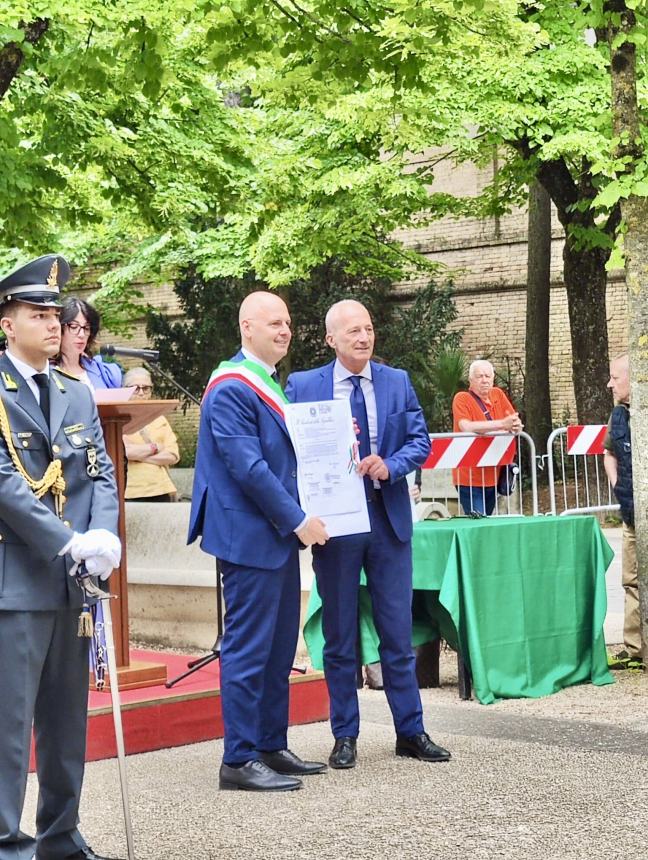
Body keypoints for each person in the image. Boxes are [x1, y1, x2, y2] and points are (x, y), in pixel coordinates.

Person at [286, 299, 451, 769]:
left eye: (369, 329)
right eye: (353, 331)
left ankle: (411, 731)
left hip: (388, 519)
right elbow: (290, 448)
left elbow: (420, 441)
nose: (363, 337)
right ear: (330, 339)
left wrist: (390, 465)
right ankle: (345, 735)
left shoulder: (396, 381)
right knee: (339, 635)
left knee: (397, 632)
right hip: (334, 526)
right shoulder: (304, 385)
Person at [0, 255, 122, 860]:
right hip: (16, 578)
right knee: (8, 726)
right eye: (38, 313)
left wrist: (103, 537)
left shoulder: (75, 391)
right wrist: (65, 540)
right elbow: (2, 481)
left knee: (66, 721)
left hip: (74, 581)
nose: (54, 324)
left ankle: (60, 835)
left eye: (55, 313)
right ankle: (4, 841)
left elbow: (99, 471)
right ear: (7, 323)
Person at [188, 290, 329, 792]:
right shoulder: (231, 386)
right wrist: (298, 520)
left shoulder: (269, 384)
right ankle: (239, 758)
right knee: (249, 650)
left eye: (288, 322)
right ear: (247, 327)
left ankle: (270, 744)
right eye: (274, 322)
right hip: (249, 535)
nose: (284, 330)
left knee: (275, 649)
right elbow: (248, 468)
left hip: (273, 535)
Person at [603, 353, 643, 670]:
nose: (609, 383)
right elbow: (608, 453)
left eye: (615, 377)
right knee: (631, 581)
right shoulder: (618, 414)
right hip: (631, 514)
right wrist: (617, 484)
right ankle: (634, 650)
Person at [451, 359, 523, 516]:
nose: (484, 380)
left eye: (487, 376)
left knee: (487, 520)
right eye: (479, 376)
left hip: (494, 474)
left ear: (493, 378)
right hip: (469, 477)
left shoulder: (498, 394)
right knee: (479, 521)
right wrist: (502, 424)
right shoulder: (462, 398)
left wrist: (516, 425)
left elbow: (513, 420)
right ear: (470, 380)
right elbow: (466, 427)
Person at [123, 367, 180, 502]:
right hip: (130, 491)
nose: (141, 393)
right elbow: (124, 452)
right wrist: (155, 448)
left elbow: (173, 455)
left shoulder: (159, 418)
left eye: (146, 388)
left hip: (162, 488)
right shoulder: (118, 418)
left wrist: (139, 456)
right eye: (136, 388)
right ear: (125, 390)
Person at [57, 297, 122, 390]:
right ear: (59, 328)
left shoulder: (103, 371)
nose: (82, 334)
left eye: (86, 328)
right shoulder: (45, 373)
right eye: (74, 327)